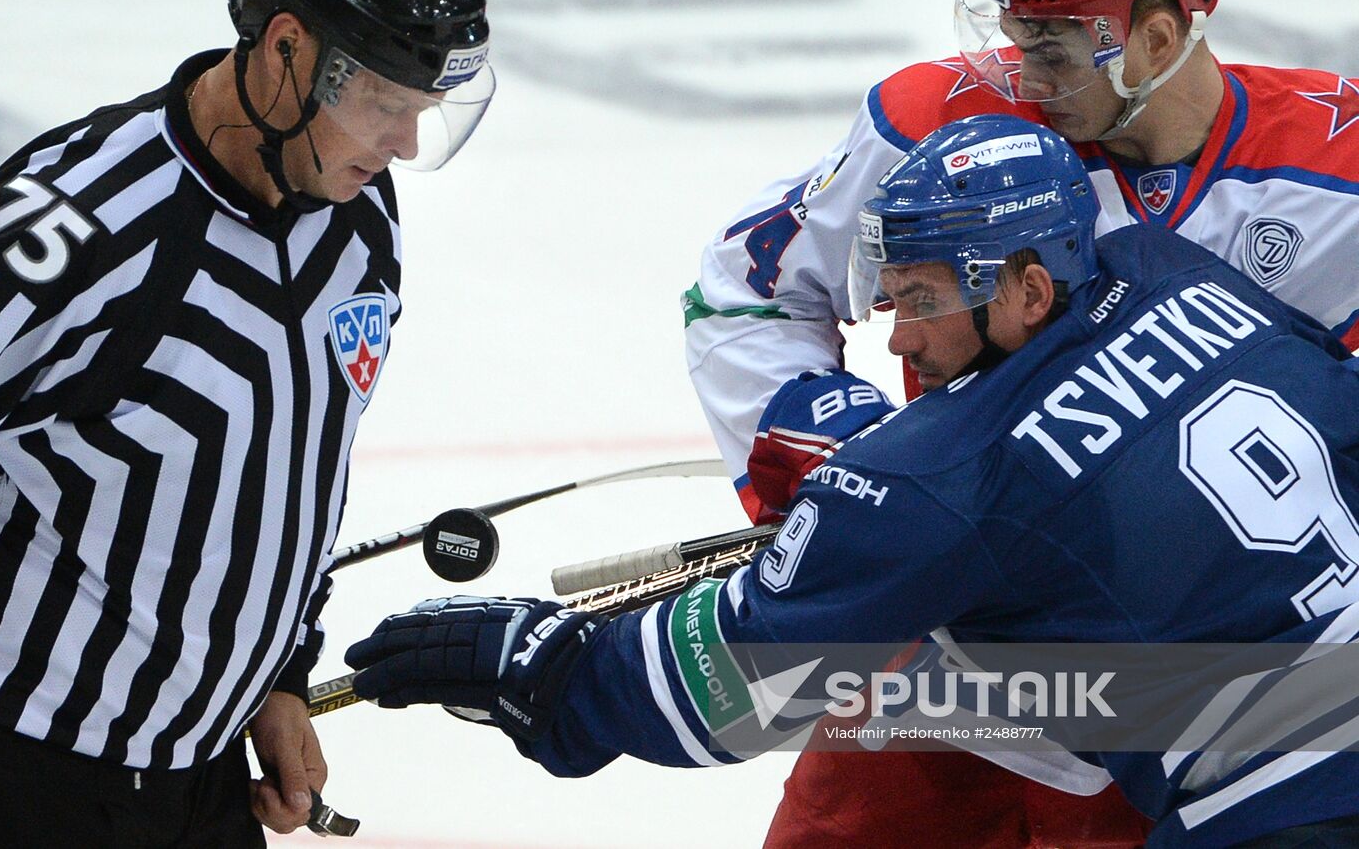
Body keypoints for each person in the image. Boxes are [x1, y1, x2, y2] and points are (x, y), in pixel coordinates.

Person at [346, 115, 1359, 848]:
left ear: (1027, 287)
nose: (897, 338)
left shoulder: (937, 473)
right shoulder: (1179, 274)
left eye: (920, 299)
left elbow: (726, 686)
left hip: (1280, 808)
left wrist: (539, 664)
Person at [682, 0, 1359, 843]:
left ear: (1158, 33)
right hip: (927, 693)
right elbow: (746, 287)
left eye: (1051, 44)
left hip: (1172, 722)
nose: (1018, 69)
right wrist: (836, 454)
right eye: (1012, 34)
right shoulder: (942, 125)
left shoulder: (1335, 170)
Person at [0, 0, 491, 845]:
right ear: (286, 47)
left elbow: (295, 461)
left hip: (199, 777)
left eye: (424, 109)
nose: (406, 145)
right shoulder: (76, 231)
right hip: (14, 773)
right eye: (380, 100)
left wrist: (276, 674)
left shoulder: (356, 217)